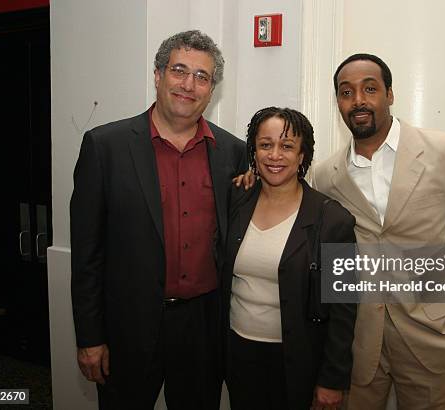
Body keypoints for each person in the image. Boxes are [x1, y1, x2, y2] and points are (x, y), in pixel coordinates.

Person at [70, 30, 247, 410]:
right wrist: (89, 337)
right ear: (157, 75)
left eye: (202, 76)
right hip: (126, 328)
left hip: (202, 328)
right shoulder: (105, 147)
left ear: (212, 89)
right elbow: (87, 254)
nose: (189, 84)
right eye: (179, 70)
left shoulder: (233, 152)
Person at [312, 54, 445, 409]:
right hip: (360, 345)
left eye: (370, 89)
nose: (358, 100)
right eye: (346, 92)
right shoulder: (326, 175)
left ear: (390, 94)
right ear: (338, 102)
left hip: (434, 338)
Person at [222, 107, 357, 410]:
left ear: (302, 156)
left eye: (287, 146)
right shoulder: (236, 199)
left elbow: (345, 310)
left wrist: (332, 379)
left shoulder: (334, 220)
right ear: (253, 152)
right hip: (238, 354)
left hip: (298, 362)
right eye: (265, 145)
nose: (275, 155)